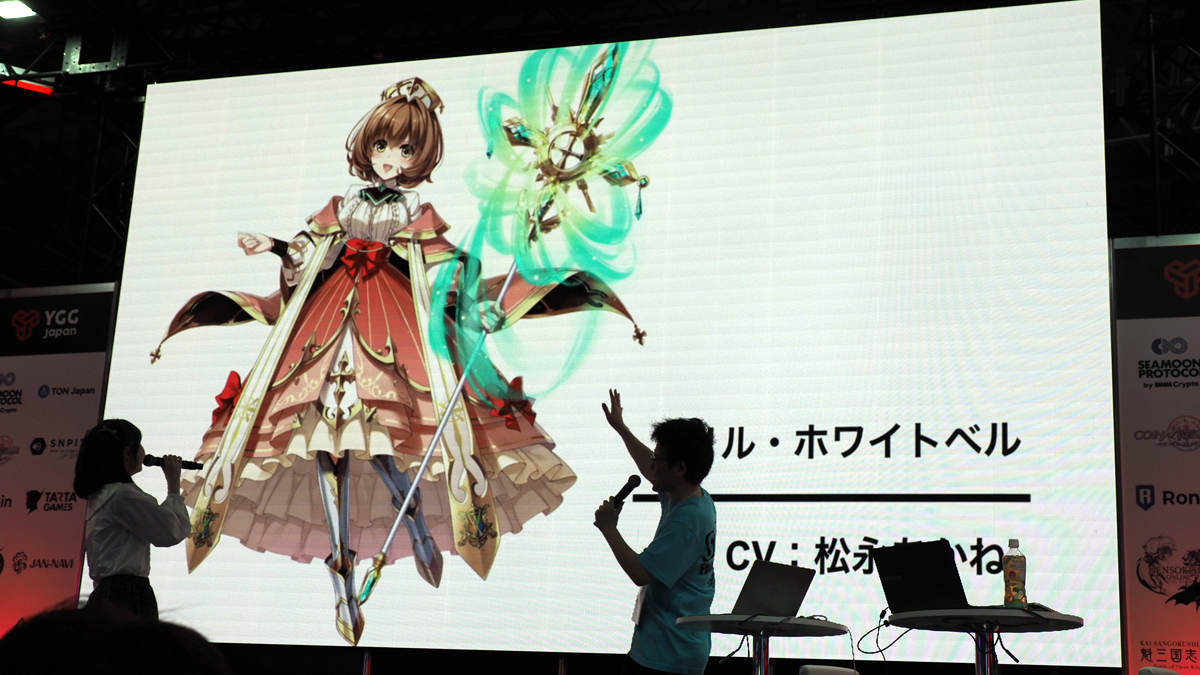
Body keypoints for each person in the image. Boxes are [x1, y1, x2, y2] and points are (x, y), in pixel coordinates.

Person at [150, 76, 639, 644]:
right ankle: (340, 557)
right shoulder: (343, 205)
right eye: (383, 145)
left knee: (383, 435)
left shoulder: (414, 209)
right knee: (322, 441)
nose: (390, 158)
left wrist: (467, 287)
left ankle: (411, 514)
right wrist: (276, 246)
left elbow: (443, 264)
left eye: (404, 149)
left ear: (419, 156)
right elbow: (310, 255)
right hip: (329, 324)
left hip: (391, 322)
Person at [595, 389, 717, 675]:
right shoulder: (687, 495)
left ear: (679, 468)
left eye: (658, 459)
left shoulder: (688, 519)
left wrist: (609, 528)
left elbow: (641, 573)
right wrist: (622, 429)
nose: (651, 465)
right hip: (663, 645)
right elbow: (648, 467)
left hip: (669, 654)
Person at [73, 419, 189, 621]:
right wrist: (173, 485)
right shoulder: (122, 495)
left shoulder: (103, 493)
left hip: (108, 593)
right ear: (127, 453)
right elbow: (170, 531)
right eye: (139, 444)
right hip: (127, 595)